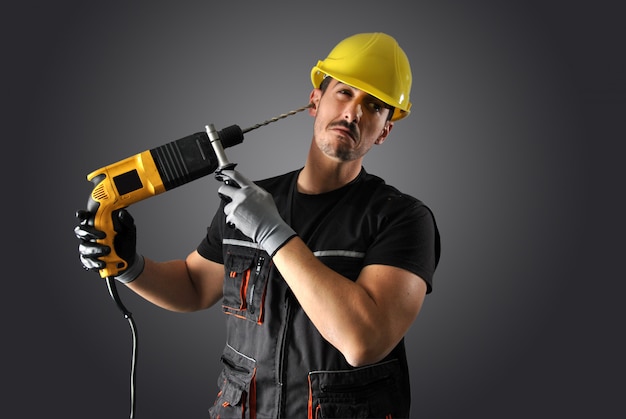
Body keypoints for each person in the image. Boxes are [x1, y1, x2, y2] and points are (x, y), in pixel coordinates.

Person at [75, 32, 441, 418]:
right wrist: (129, 264)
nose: (353, 113)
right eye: (345, 93)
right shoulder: (249, 201)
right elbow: (195, 286)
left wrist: (273, 234)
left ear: (384, 129)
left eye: (374, 106)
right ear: (314, 101)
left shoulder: (402, 218)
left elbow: (363, 341)